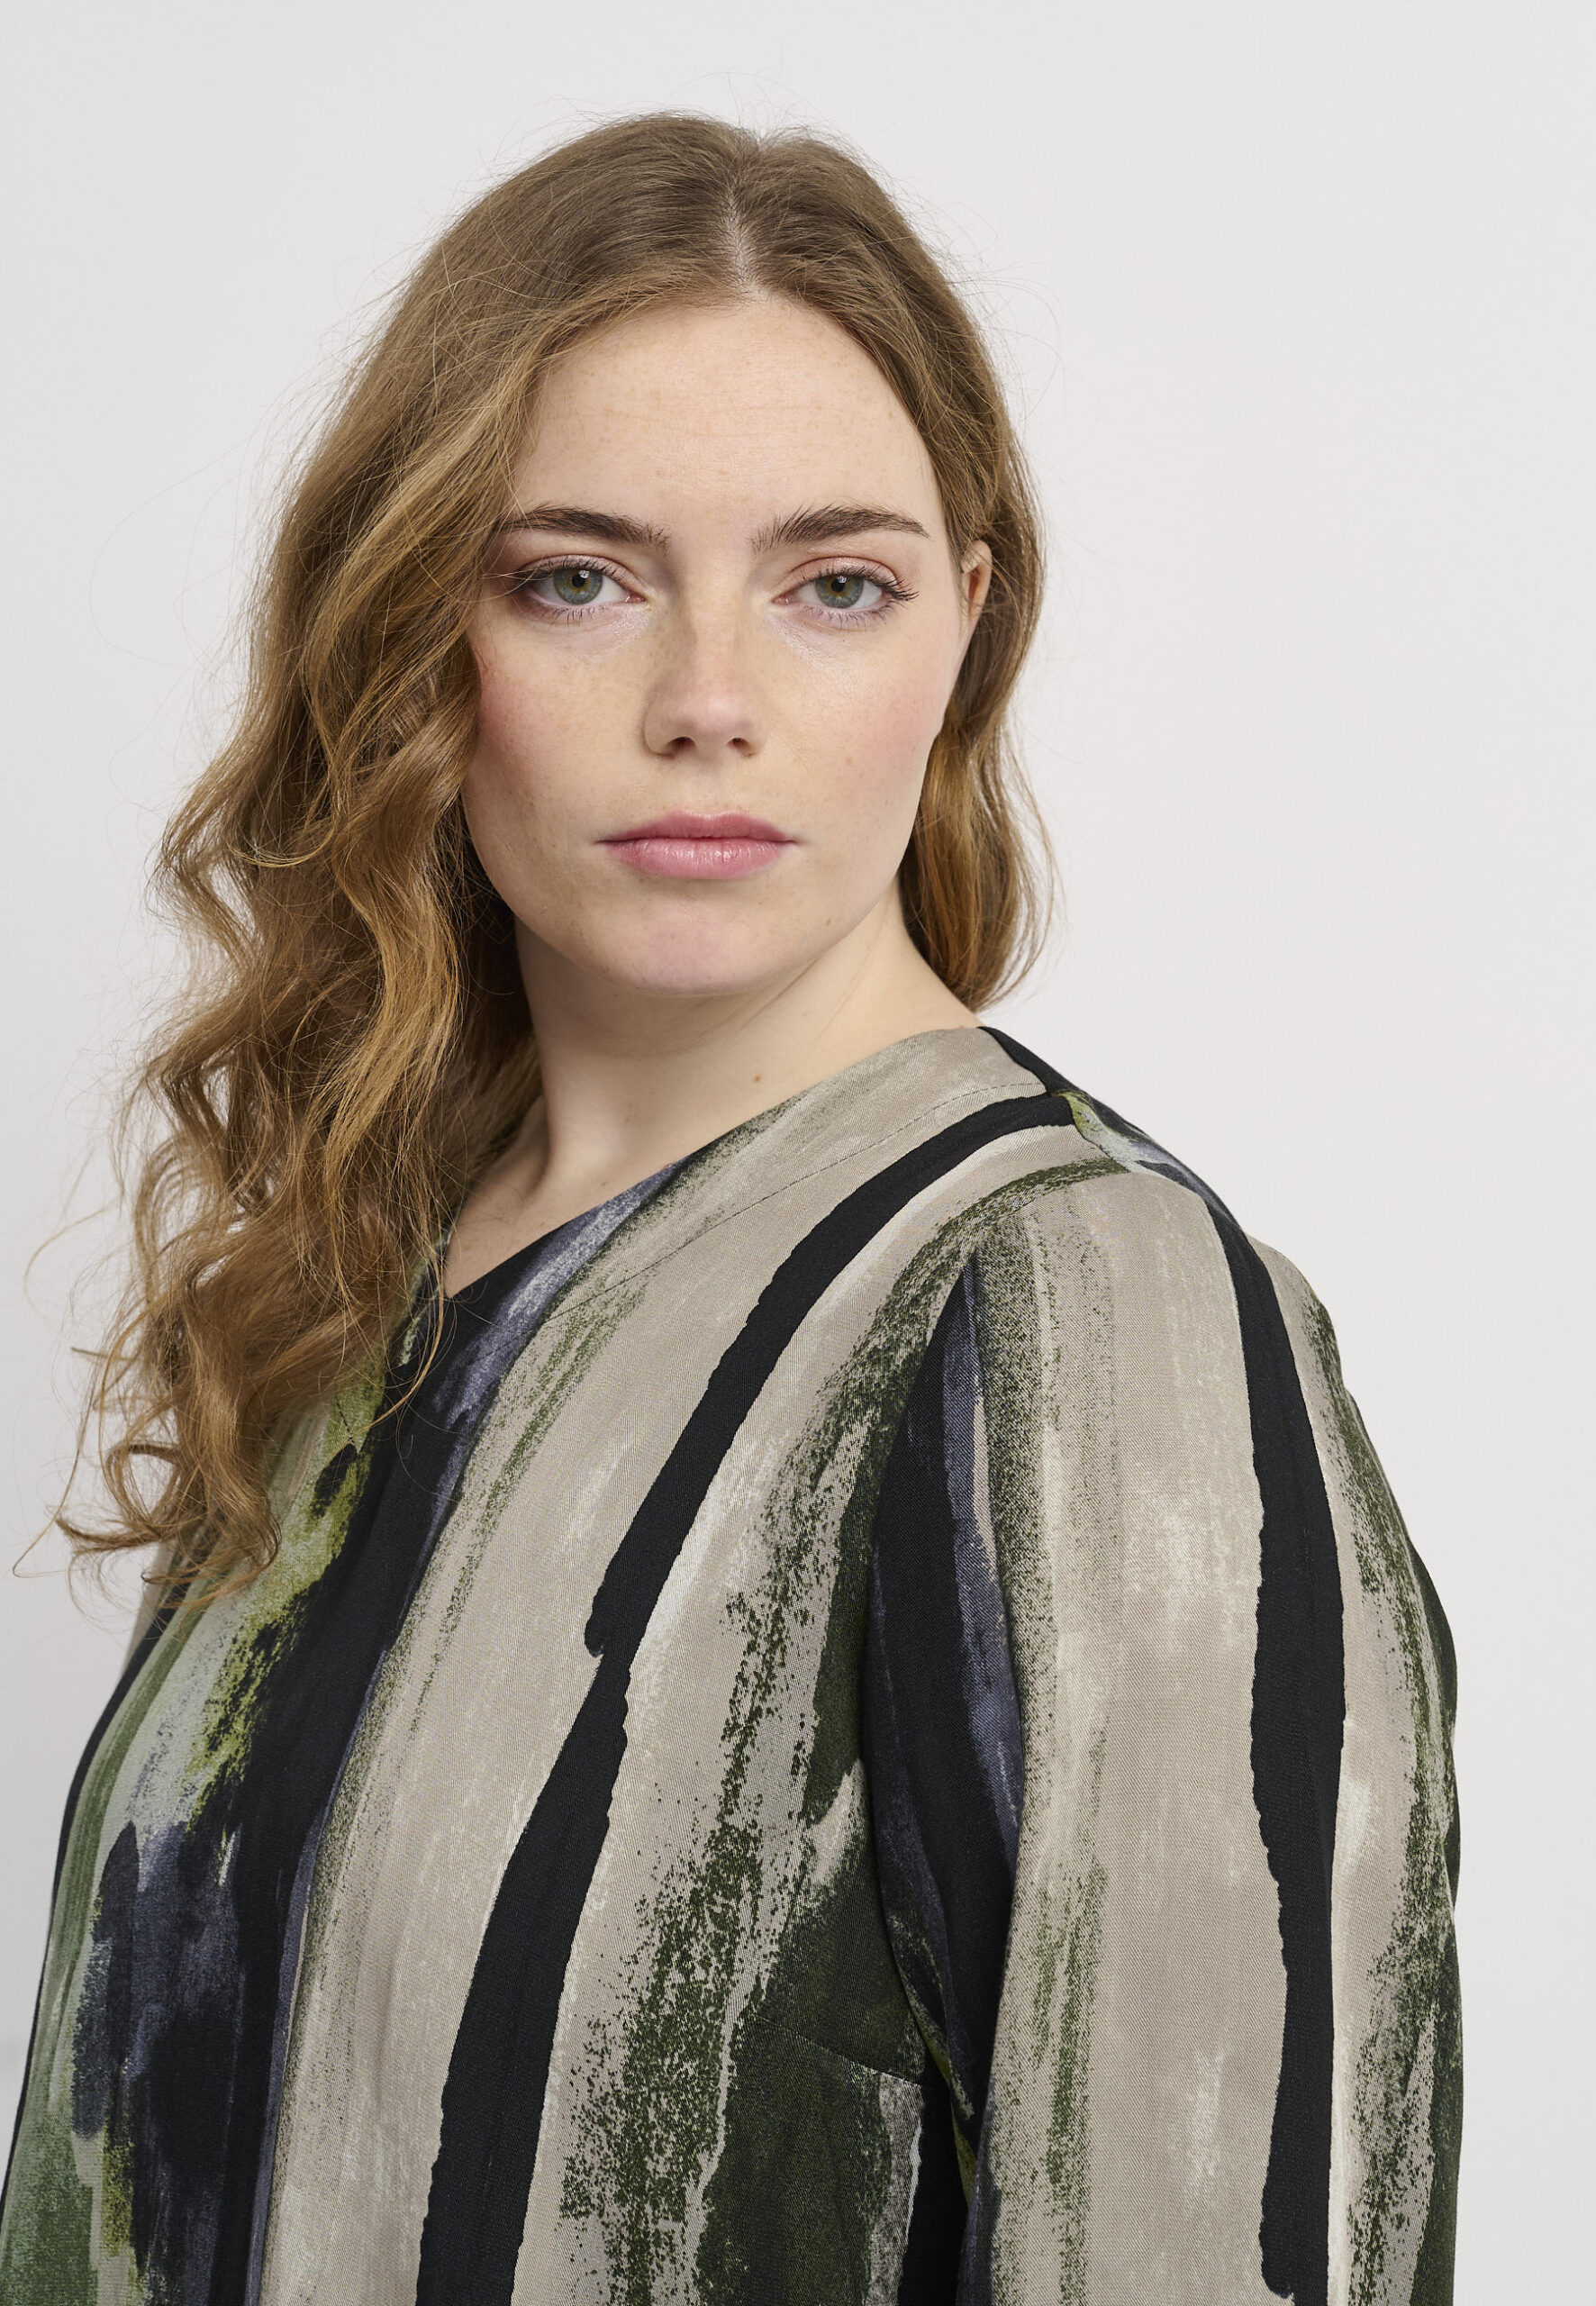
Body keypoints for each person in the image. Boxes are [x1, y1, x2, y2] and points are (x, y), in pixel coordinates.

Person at [0, 113, 1460, 2306]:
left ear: (965, 632)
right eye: (573, 578)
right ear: (414, 629)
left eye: (832, 584)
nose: (706, 703)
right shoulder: (361, 1281)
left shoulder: (1081, 1314)